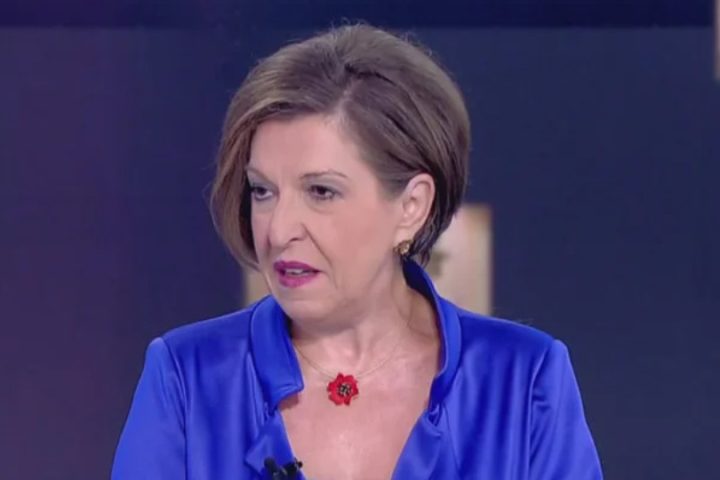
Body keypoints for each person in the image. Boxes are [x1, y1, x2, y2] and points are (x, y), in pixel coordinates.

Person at [112, 24, 603, 479]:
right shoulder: (187, 378)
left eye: (321, 192)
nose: (278, 230)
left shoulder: (524, 380)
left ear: (411, 207)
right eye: (262, 191)